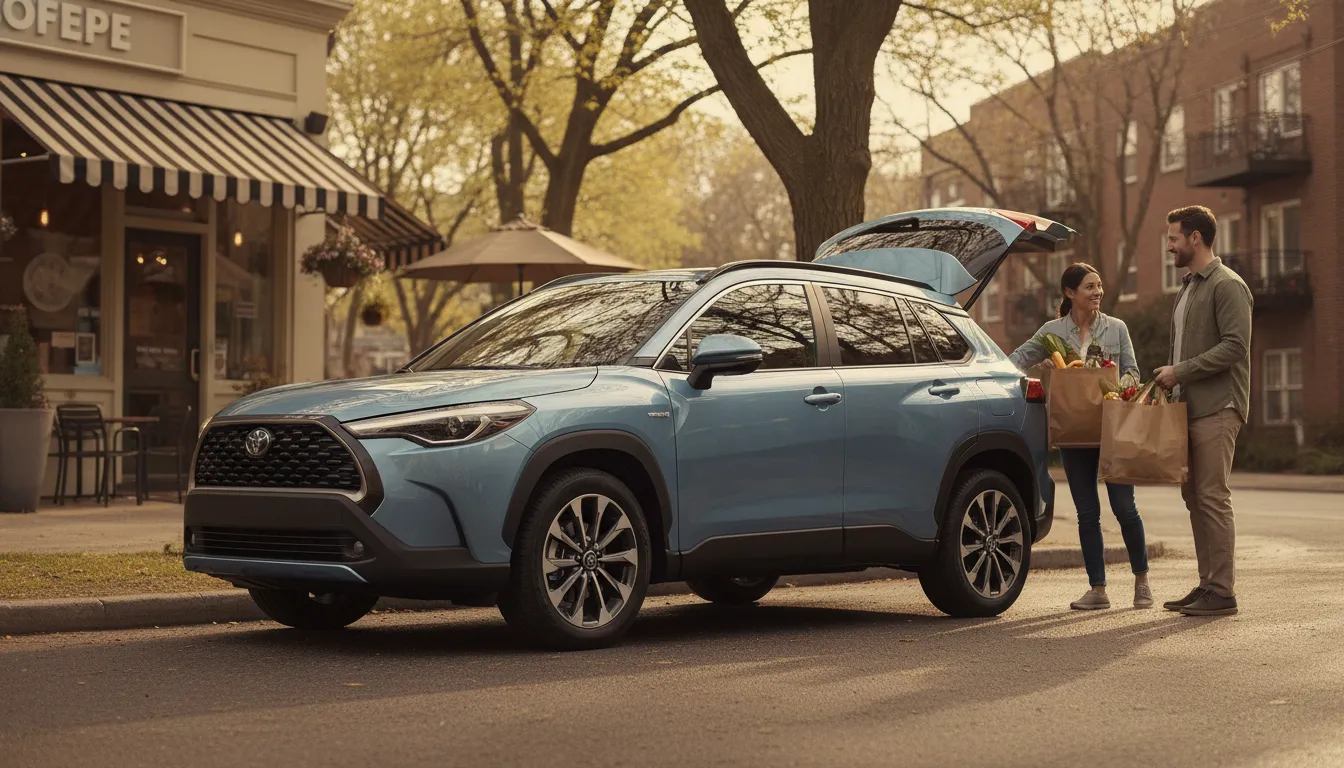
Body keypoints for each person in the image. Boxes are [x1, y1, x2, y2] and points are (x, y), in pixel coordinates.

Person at [1010, 262, 1151, 610]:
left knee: (1124, 508)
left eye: (1099, 286)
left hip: (1113, 426)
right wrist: (1037, 368)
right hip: (1074, 432)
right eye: (1090, 287)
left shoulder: (1116, 329)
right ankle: (1098, 590)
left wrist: (1124, 387)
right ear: (1070, 294)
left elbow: (1133, 371)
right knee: (1087, 513)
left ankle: (1142, 581)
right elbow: (1013, 360)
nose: (1098, 292)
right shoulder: (1051, 333)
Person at [1154, 206, 1252, 617]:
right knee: (1194, 496)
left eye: (1174, 238)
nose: (1169, 245)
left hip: (1218, 407)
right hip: (1188, 409)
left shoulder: (1227, 285)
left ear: (1196, 238)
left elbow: (1234, 346)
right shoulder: (1189, 286)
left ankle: (1223, 590)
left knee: (1212, 497)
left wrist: (1181, 372)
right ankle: (1208, 583)